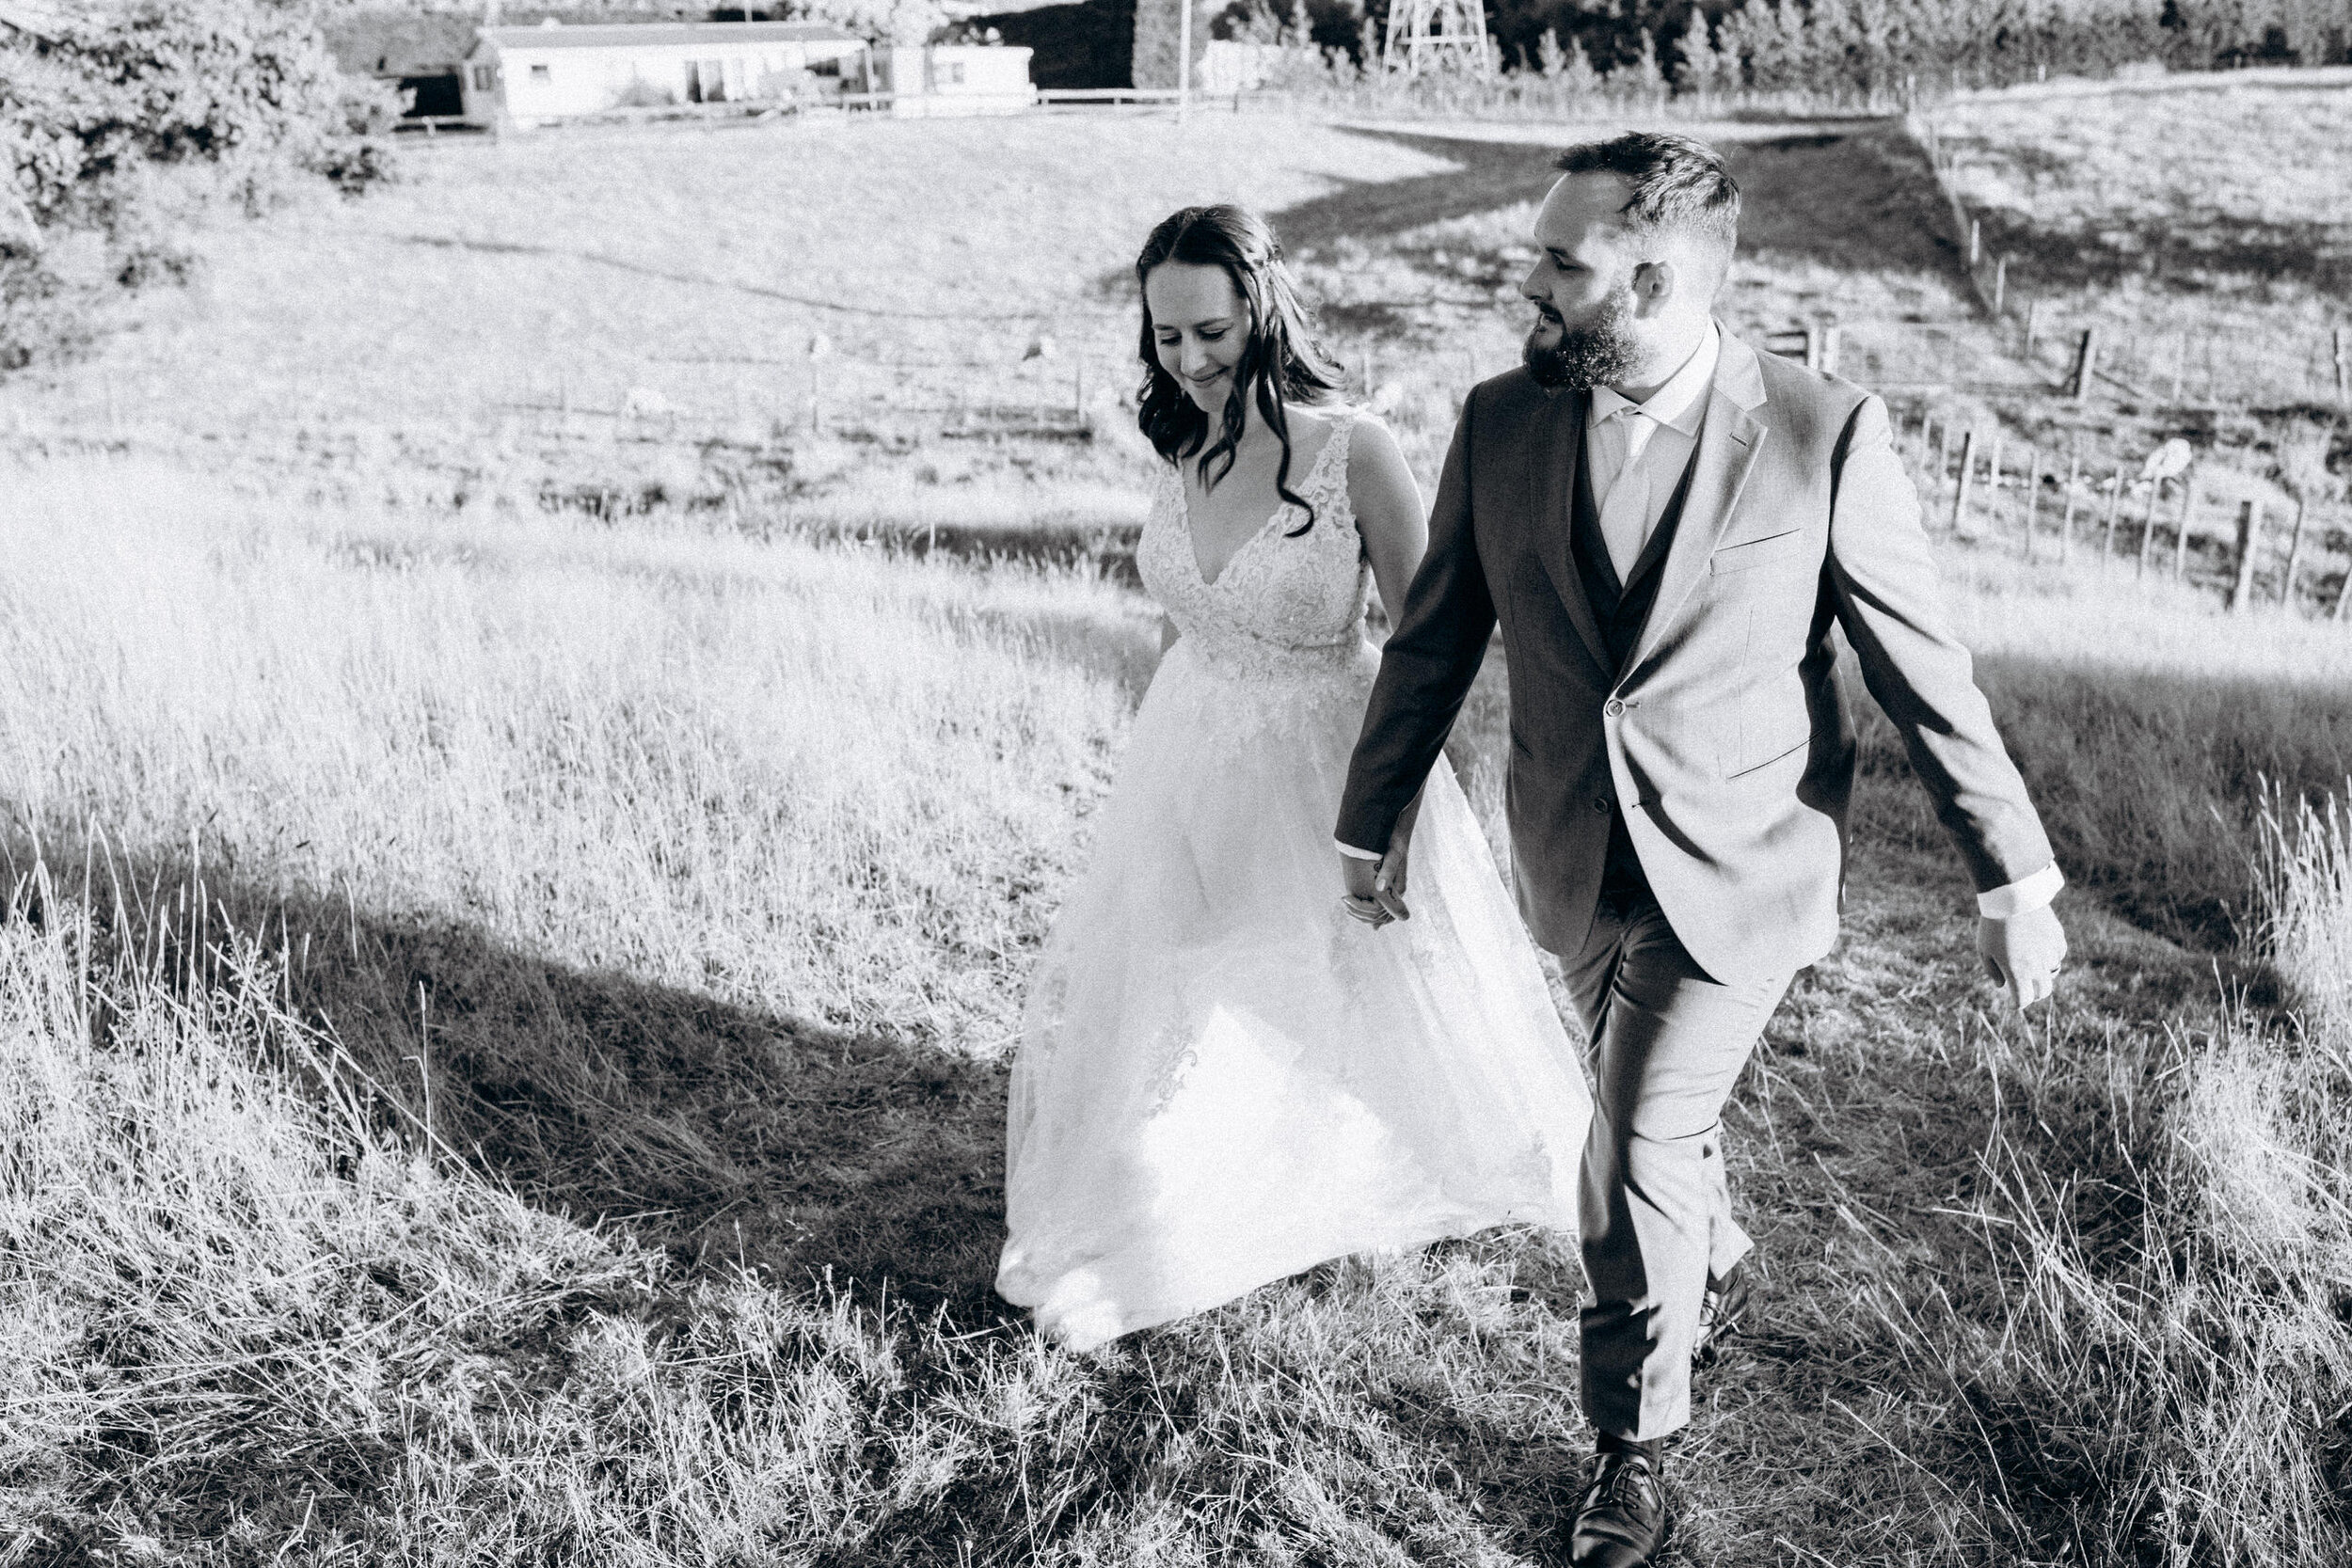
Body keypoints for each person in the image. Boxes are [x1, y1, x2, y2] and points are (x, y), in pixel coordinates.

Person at [1335, 133, 2068, 1567]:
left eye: (1561, 260)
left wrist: (2014, 873)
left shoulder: (1818, 429)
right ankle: (1707, 1256)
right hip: (1569, 856)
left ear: (1653, 275)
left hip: (1740, 867)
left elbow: (1921, 665)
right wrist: (1371, 821)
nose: (1528, 283)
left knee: (1632, 1141)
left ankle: (1634, 1449)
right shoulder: (1500, 423)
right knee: (1649, 1126)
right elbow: (1431, 647)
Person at [996, 205, 1594, 1350]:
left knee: (1318, 978)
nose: (1188, 359)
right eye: (1165, 336)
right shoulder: (1181, 441)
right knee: (1183, 970)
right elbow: (1182, 621)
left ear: (1262, 306)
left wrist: (1409, 800)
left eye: (1209, 330)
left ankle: (1286, 1159)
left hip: (1324, 757)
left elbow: (1436, 640)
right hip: (1190, 746)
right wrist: (1154, 781)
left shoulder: (1354, 448)